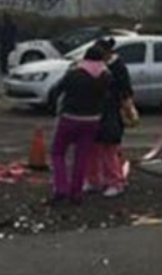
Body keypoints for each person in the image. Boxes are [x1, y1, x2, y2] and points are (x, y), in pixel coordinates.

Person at [50, 46, 110, 205]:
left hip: (70, 117)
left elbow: (57, 89)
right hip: (92, 120)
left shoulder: (74, 74)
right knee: (81, 157)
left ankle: (61, 188)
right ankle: (76, 193)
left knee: (58, 152)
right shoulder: (105, 76)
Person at [85, 38, 133, 197]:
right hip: (94, 111)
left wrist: (128, 110)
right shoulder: (98, 67)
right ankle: (93, 180)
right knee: (92, 147)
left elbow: (126, 91)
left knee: (109, 149)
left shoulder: (117, 68)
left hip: (111, 111)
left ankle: (115, 181)